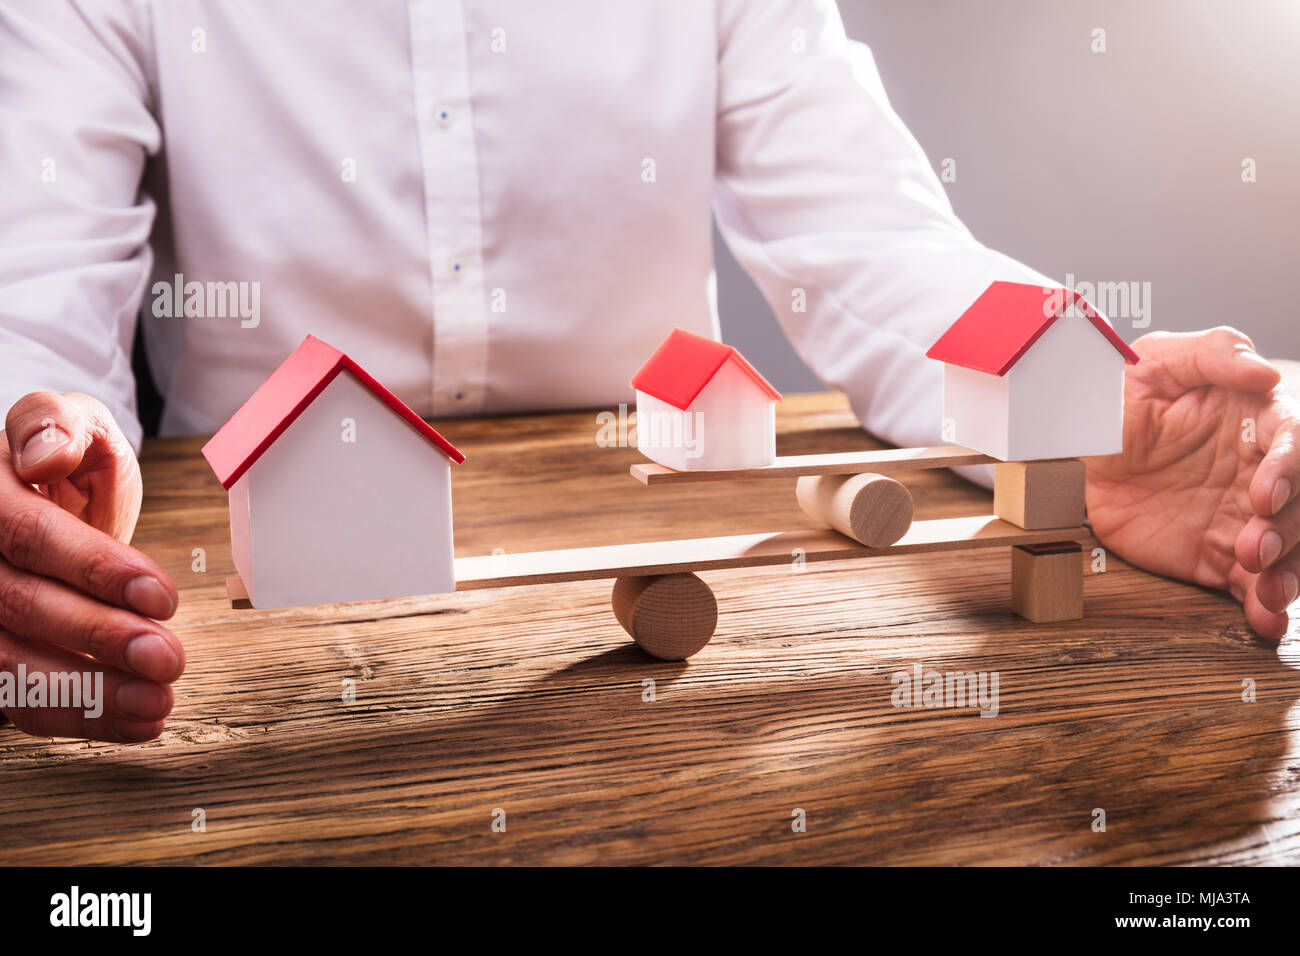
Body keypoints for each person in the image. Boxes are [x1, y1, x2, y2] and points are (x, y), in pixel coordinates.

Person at [1, 0, 1296, 743]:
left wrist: (1077, 421)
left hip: (656, 527)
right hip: (242, 585)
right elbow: (33, 299)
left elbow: (875, 245)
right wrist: (35, 455)